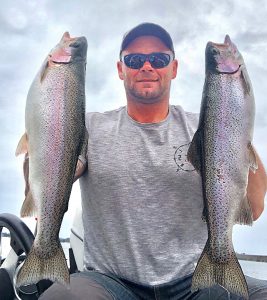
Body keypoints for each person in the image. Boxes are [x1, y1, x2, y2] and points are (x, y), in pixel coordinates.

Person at [40, 23, 267, 300]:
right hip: (111, 281)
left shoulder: (207, 128)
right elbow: (54, 175)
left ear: (173, 68)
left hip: (194, 280)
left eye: (158, 59)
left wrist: (236, 133)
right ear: (121, 69)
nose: (146, 66)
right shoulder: (88, 127)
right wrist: (43, 137)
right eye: (134, 60)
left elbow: (254, 208)